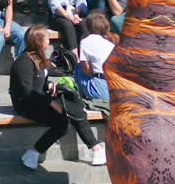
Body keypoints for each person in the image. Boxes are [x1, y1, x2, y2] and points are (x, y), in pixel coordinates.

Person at [10, 25, 106, 169]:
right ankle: (96, 149)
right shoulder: (23, 62)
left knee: (73, 105)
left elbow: (39, 80)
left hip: (40, 98)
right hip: (25, 104)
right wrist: (51, 102)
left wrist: (48, 84)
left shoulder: (37, 57)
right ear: (38, 41)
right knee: (63, 122)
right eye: (47, 38)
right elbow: (26, 92)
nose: (49, 40)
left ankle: (96, 149)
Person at [76, 11, 117, 101]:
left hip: (101, 89)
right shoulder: (111, 42)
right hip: (115, 87)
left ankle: (81, 97)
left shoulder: (85, 41)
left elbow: (86, 70)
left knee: (78, 68)